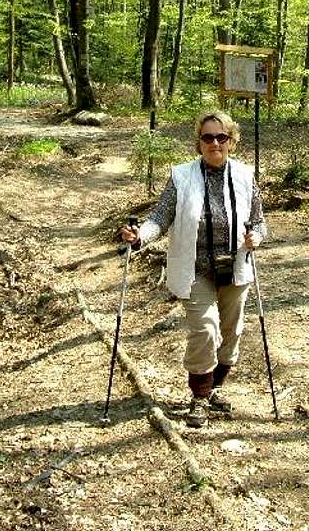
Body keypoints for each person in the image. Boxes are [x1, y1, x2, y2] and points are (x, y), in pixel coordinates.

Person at [120, 109, 267, 428]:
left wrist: (255, 236)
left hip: (235, 268)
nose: (214, 142)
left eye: (221, 137)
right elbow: (160, 218)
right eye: (207, 137)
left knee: (231, 334)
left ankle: (214, 389)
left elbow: (258, 221)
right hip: (195, 268)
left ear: (232, 141)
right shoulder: (181, 176)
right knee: (205, 329)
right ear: (198, 143)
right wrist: (139, 237)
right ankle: (199, 397)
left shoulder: (244, 176)